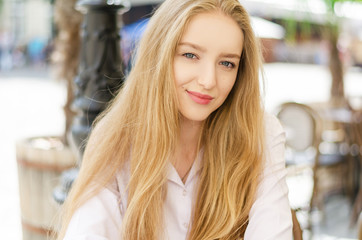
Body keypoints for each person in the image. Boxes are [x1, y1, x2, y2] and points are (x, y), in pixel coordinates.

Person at [57, 0, 293, 239]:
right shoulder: (116, 136)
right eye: (190, 55)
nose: (208, 80)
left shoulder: (262, 132)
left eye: (226, 63)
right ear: (159, 54)